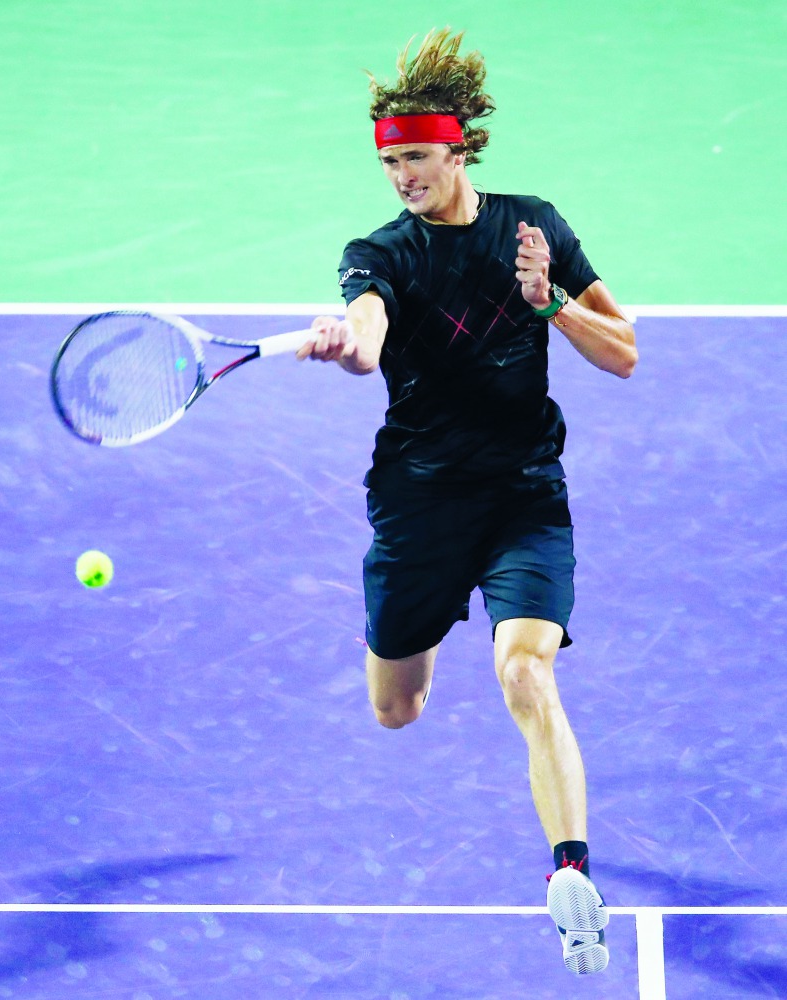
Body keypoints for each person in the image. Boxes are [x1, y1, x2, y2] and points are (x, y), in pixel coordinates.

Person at [297, 28, 637, 976]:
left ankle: (570, 875)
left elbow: (625, 350)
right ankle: (427, 624)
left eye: (415, 156)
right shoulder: (379, 255)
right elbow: (368, 339)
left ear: (459, 150)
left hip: (525, 492)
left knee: (527, 674)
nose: (401, 174)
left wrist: (546, 304)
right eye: (389, 160)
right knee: (396, 709)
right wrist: (345, 335)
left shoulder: (533, 228)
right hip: (418, 504)